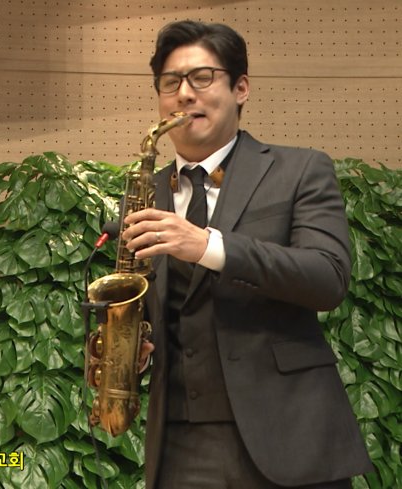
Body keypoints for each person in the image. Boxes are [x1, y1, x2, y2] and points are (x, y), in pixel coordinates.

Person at [120, 20, 373, 489]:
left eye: (202, 78)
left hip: (291, 436)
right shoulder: (143, 192)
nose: (184, 94)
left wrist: (209, 246)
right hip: (179, 442)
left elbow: (328, 277)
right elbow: (142, 302)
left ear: (241, 88)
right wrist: (127, 344)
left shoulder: (302, 169)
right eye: (170, 83)